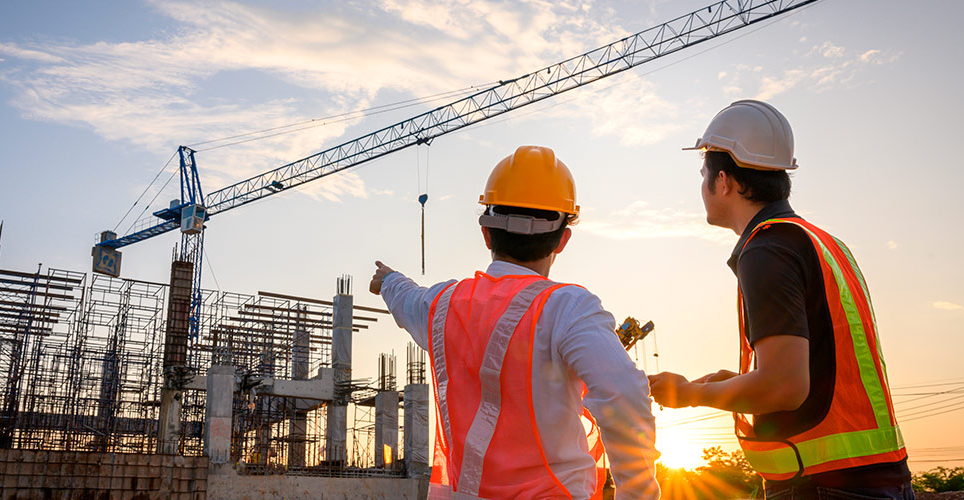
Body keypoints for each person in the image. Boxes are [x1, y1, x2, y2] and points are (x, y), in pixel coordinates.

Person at [648, 100, 912, 499]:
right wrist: (737, 385)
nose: (702, 187)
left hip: (824, 486)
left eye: (704, 175)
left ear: (724, 181)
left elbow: (785, 386)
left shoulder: (767, 249)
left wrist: (688, 395)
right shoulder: (823, 243)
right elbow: (821, 367)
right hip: (880, 479)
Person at [369, 145, 660, 500]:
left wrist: (387, 280)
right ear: (563, 239)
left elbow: (407, 298)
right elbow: (625, 396)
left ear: (486, 234)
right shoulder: (567, 308)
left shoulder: (443, 305)